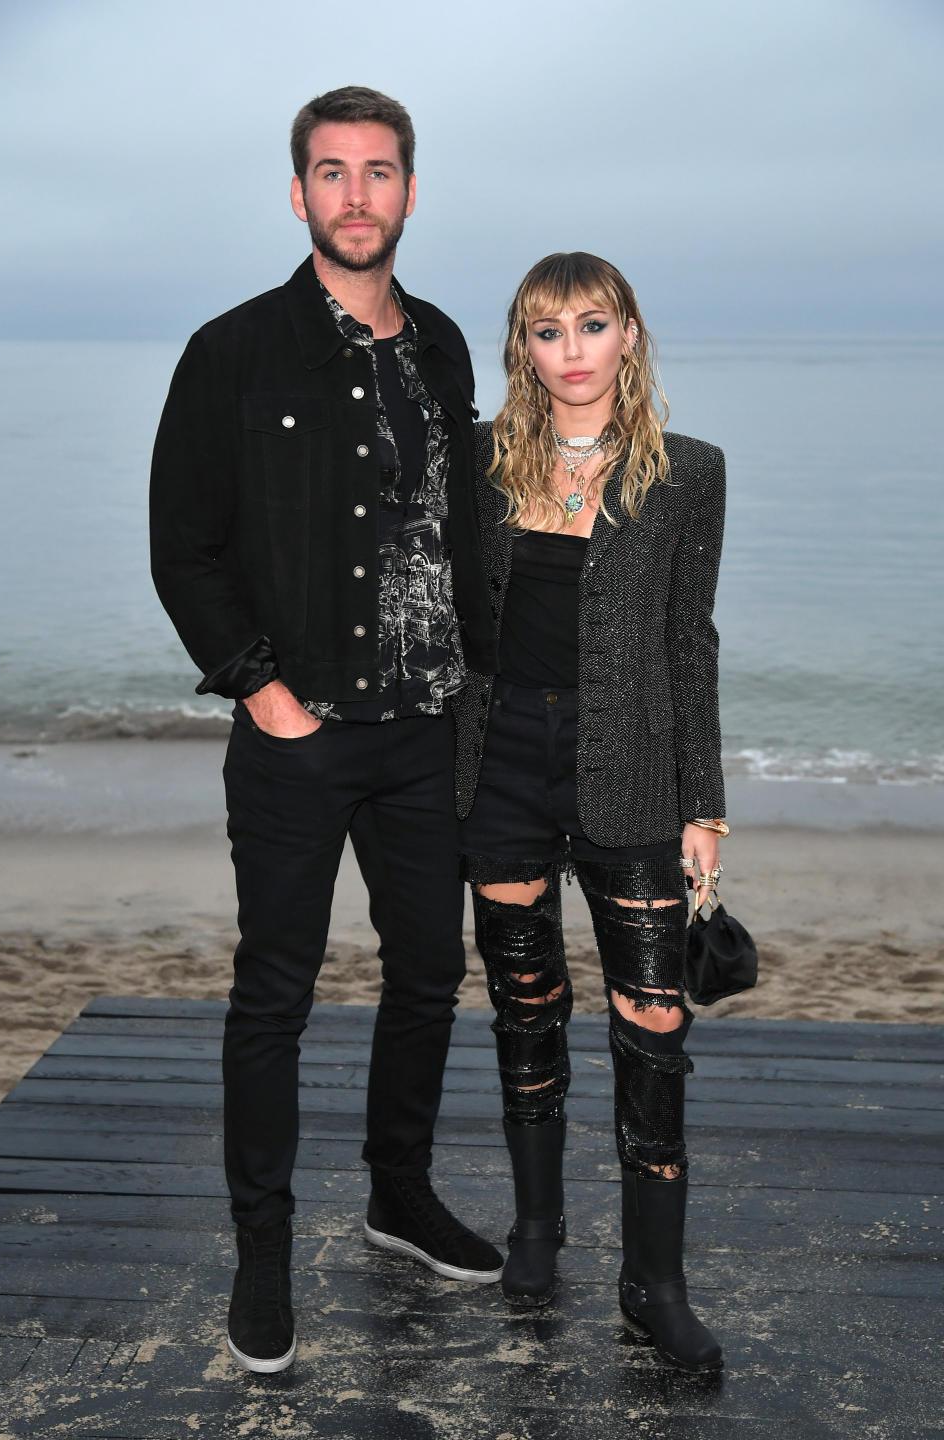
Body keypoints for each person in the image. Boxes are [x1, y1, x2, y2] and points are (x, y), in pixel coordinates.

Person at [150, 86, 503, 1376]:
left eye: (381, 172)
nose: (358, 194)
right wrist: (263, 691)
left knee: (426, 974)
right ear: (298, 195)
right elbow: (183, 549)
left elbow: (459, 532)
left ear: (411, 192)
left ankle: (398, 1196)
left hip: (430, 732)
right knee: (275, 997)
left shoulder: (452, 346)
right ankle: (262, 1253)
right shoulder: (231, 351)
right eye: (332, 172)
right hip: (300, 736)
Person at [454, 252, 726, 1373]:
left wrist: (705, 804)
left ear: (629, 337)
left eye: (591, 325)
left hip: (631, 771)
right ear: (523, 347)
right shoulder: (476, 463)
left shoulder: (687, 474)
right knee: (526, 1002)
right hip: (503, 762)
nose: (570, 350)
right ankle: (534, 1230)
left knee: (654, 1027)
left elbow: (688, 643)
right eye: (546, 330)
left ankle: (652, 1283)